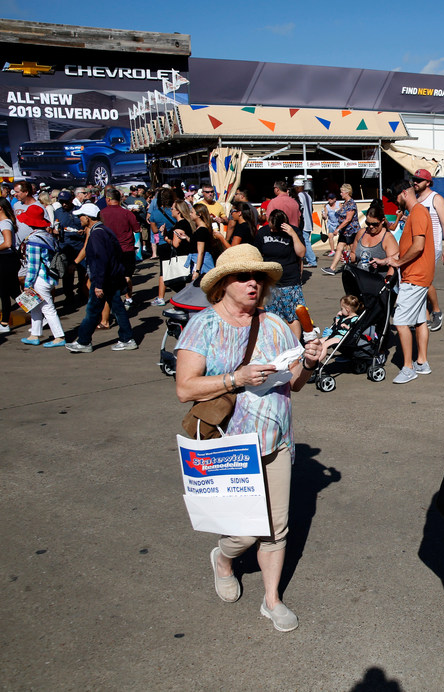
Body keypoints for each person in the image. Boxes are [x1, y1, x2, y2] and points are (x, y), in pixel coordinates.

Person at [175, 244, 326, 634]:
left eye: (258, 277)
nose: (253, 284)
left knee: (277, 528)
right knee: (242, 531)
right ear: (222, 284)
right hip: (228, 444)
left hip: (276, 439)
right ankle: (222, 560)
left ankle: (272, 599)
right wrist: (234, 379)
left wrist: (308, 362)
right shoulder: (203, 325)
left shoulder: (274, 324)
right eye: (243, 277)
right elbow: (185, 388)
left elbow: (293, 382)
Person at [380, 184, 433, 383]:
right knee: (419, 320)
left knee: (401, 322)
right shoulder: (416, 212)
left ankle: (408, 367)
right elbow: (409, 247)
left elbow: (418, 247)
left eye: (397, 198)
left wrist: (399, 263)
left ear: (404, 193)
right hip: (417, 275)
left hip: (415, 277)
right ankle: (422, 362)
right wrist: (388, 260)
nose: (395, 203)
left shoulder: (417, 212)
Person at [65, 204, 136, 352]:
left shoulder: (97, 233)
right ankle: (127, 338)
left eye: (81, 216)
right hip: (112, 278)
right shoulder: (104, 230)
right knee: (117, 309)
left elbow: (100, 260)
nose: (79, 219)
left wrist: (98, 284)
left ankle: (84, 342)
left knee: (92, 311)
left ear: (88, 217)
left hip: (104, 280)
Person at [15, 205, 65, 347]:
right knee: (36, 306)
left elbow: (33, 265)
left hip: (40, 278)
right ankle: (34, 335)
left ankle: (59, 337)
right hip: (47, 276)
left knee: (47, 308)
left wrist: (27, 284)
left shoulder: (34, 239)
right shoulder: (47, 236)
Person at [254, 209, 307, 341]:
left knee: (292, 316)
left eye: (275, 228)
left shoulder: (293, 232)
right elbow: (256, 254)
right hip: (270, 281)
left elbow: (301, 254)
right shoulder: (263, 232)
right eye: (271, 225)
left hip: (289, 281)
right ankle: (275, 344)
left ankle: (295, 346)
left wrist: (293, 235)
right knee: (270, 316)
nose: (272, 230)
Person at [412, 168, 444, 332]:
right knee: (415, 281)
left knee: (424, 281)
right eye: (413, 179)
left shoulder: (436, 199)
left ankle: (436, 311)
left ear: (428, 182)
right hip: (417, 247)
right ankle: (425, 316)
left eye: (419, 180)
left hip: (432, 247)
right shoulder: (415, 200)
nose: (415, 182)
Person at [99, 188, 139, 307]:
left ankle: (114, 300)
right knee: (127, 276)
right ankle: (128, 299)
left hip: (109, 250)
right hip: (126, 249)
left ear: (108, 199)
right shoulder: (127, 213)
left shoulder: (102, 214)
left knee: (112, 276)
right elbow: (137, 229)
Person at [54, 190, 88, 309]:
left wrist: (84, 231)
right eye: (61, 202)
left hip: (80, 245)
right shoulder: (58, 212)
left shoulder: (80, 209)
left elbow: (87, 224)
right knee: (67, 274)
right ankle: (69, 296)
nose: (64, 204)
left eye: (66, 202)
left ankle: (83, 293)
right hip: (65, 246)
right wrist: (55, 231)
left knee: (82, 271)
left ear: (71, 199)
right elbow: (55, 225)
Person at [321, 184, 360, 275]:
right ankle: (332, 268)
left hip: (351, 231)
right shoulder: (344, 203)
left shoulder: (351, 204)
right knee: (339, 248)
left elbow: (348, 219)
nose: (340, 193)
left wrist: (338, 229)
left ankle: (358, 268)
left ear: (347, 192)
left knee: (353, 249)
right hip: (344, 231)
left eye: (342, 192)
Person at [353, 200, 398, 276]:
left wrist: (386, 283)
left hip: (378, 281)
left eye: (374, 224)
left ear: (382, 221)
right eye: (368, 223)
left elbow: (393, 265)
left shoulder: (387, 238)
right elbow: (353, 254)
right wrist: (348, 257)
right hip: (360, 280)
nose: (371, 226)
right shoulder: (361, 233)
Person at [149, 187, 178, 306]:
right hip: (176, 241)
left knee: (163, 270)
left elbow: (154, 230)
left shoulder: (155, 214)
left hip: (162, 243)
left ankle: (161, 297)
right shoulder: (175, 211)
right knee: (178, 267)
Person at [0, 199, 20, 334]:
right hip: (7, 260)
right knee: (14, 292)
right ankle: (40, 312)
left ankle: (4, 322)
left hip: (6, 260)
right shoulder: (5, 222)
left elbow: (7, 243)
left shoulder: (5, 223)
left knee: (5, 293)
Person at [293, 176, 317, 268]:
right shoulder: (308, 195)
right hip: (309, 222)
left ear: (298, 187)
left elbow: (300, 209)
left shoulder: (299, 196)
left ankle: (312, 260)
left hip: (304, 223)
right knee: (306, 241)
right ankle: (310, 259)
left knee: (306, 241)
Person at [321, 192, 342, 257]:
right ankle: (332, 250)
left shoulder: (339, 204)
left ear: (335, 199)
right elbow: (325, 216)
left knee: (341, 237)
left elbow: (343, 212)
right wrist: (323, 215)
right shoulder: (327, 206)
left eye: (331, 199)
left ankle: (341, 250)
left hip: (339, 223)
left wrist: (339, 211)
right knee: (330, 235)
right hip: (331, 223)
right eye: (329, 199)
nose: (330, 200)